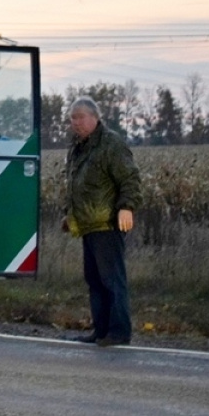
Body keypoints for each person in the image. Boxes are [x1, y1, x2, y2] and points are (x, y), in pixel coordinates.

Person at [63, 96, 141, 347]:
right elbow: (76, 185)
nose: (76, 123)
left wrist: (127, 207)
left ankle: (119, 332)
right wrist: (70, 215)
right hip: (88, 224)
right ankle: (101, 330)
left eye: (80, 117)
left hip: (107, 223)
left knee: (112, 279)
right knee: (95, 280)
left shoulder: (110, 144)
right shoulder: (80, 147)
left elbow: (129, 178)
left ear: (94, 118)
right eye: (72, 118)